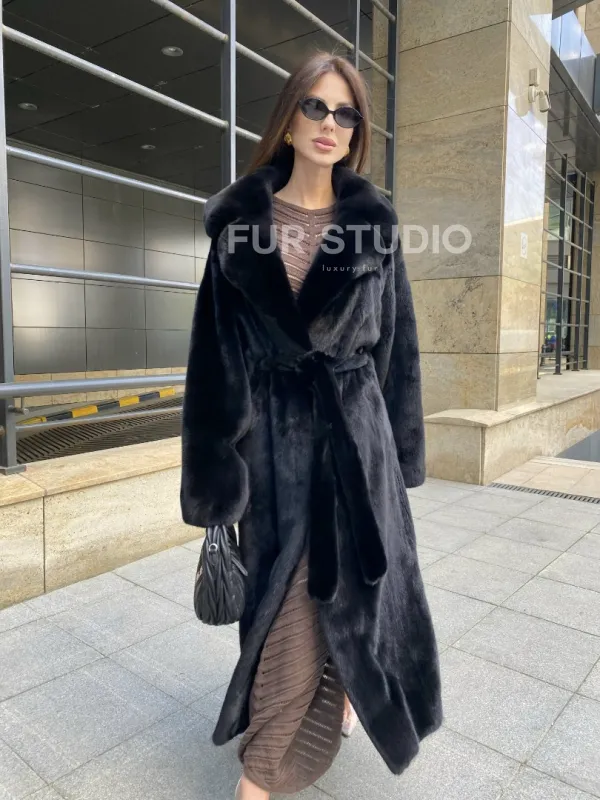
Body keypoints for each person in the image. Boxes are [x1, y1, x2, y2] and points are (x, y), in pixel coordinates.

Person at [180, 50, 443, 799]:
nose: (331, 123)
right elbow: (213, 363)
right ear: (289, 120)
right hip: (271, 452)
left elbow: (398, 351)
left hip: (358, 446)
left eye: (346, 113)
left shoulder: (374, 226)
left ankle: (263, 774)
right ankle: (299, 736)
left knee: (344, 598)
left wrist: (401, 456)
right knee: (285, 608)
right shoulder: (238, 229)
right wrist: (215, 482)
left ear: (357, 131)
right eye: (316, 107)